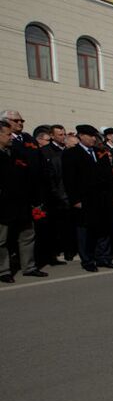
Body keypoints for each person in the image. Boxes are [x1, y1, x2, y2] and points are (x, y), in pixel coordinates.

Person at [61, 125, 113, 272]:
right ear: (81, 136)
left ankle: (103, 257)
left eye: (95, 136)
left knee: (104, 229)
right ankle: (87, 260)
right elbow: (69, 179)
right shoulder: (72, 153)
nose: (94, 139)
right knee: (85, 231)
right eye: (90, 136)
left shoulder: (101, 153)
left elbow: (108, 177)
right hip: (85, 199)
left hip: (103, 199)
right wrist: (75, 200)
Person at [0, 111, 48, 280]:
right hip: (3, 204)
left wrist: (35, 199)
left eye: (22, 120)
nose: (10, 138)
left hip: (23, 201)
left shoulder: (18, 151)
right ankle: (4, 271)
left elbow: (30, 174)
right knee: (2, 240)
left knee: (27, 235)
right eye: (7, 135)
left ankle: (29, 266)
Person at [38, 124, 70, 266]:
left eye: (64, 134)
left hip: (68, 193)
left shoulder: (68, 151)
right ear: (52, 136)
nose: (63, 137)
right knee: (53, 227)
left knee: (67, 226)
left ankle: (68, 250)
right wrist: (55, 193)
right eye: (59, 135)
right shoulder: (45, 151)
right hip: (54, 195)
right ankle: (52, 254)